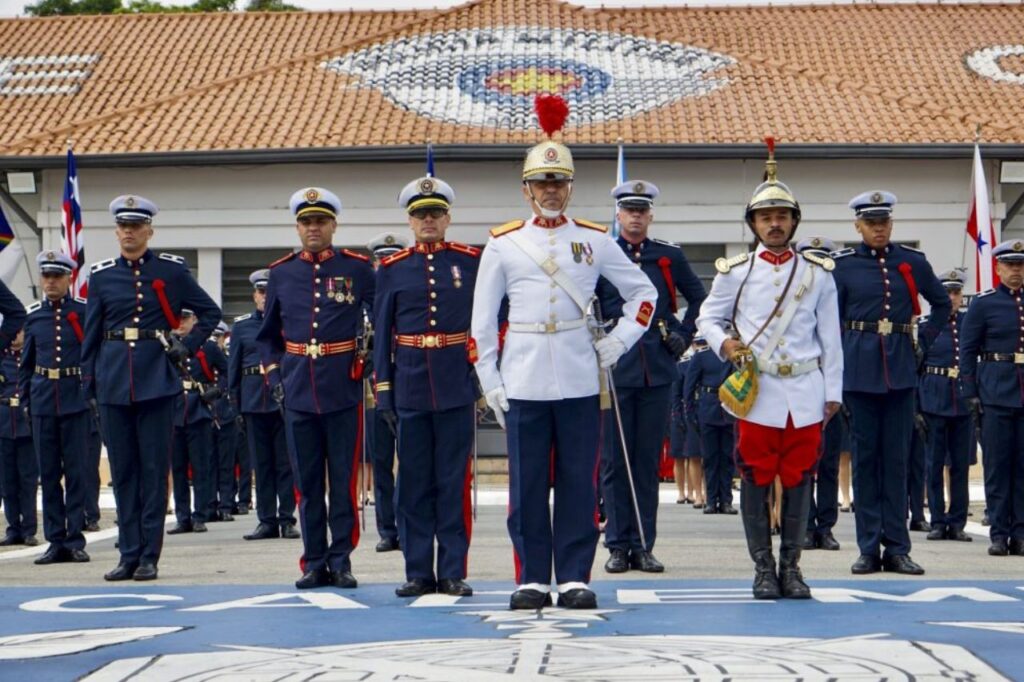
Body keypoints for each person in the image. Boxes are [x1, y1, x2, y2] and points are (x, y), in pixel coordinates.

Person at [471, 99, 657, 609]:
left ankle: (575, 575)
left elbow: (645, 295)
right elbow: (482, 322)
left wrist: (617, 343)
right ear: (526, 189)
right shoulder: (503, 244)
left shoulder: (595, 240)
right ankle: (531, 576)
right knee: (528, 484)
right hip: (524, 375)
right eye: (541, 183)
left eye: (559, 182)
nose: (550, 191)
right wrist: (491, 380)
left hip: (578, 375)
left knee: (579, 480)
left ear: (570, 187)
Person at [697, 140, 843, 599]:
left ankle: (793, 568)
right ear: (754, 224)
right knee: (757, 475)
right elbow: (706, 318)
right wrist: (726, 343)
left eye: (782, 216)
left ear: (794, 221)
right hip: (756, 391)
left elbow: (830, 338)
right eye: (766, 217)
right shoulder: (735, 271)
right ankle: (763, 570)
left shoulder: (817, 273)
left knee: (801, 476)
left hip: (805, 388)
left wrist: (833, 391)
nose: (774, 224)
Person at [82, 194, 220, 581]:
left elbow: (209, 312)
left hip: (157, 379)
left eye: (136, 226)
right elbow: (91, 334)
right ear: (116, 232)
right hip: (112, 380)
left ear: (149, 231)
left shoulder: (171, 271)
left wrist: (187, 345)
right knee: (123, 472)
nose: (129, 232)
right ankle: (127, 553)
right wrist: (88, 382)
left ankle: (148, 556)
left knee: (154, 470)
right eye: (124, 227)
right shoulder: (102, 275)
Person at [256, 187, 375, 589]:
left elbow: (379, 319)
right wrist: (274, 376)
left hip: (342, 387)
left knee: (341, 481)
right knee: (306, 484)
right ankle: (314, 561)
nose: (313, 228)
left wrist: (370, 362)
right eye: (307, 222)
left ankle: (341, 560)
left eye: (321, 221)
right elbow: (267, 335)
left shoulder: (357, 269)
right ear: (298, 226)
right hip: (298, 389)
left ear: (333, 225)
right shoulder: (282, 272)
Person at [831, 190, 949, 576]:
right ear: (858, 226)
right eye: (871, 223)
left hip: (899, 372)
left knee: (897, 463)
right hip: (859, 374)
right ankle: (868, 547)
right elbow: (829, 322)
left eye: (884, 223)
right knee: (866, 463)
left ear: (891, 225)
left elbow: (942, 304)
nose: (878, 229)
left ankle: (897, 547)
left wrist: (923, 343)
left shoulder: (911, 262)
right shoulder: (843, 266)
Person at [374, 176, 480, 598]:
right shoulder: (392, 268)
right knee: (413, 484)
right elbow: (382, 334)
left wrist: (482, 373)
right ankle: (418, 570)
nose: (429, 220)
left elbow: (489, 320)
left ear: (447, 218)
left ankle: (452, 569)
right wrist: (384, 391)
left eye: (435, 213)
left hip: (456, 383)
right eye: (421, 214)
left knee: (452, 481)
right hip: (411, 386)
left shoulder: (470, 261)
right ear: (410, 220)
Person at [597, 180, 706, 574]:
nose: (636, 217)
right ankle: (616, 545)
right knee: (614, 461)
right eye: (629, 211)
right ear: (618, 215)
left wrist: (683, 334)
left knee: (644, 461)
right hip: (615, 366)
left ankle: (643, 544)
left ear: (650, 215)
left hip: (657, 365)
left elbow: (699, 298)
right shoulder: (602, 254)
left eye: (642, 211)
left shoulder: (668, 256)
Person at [19, 250, 91, 565]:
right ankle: (55, 541)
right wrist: (26, 401)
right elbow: (26, 363)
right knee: (47, 475)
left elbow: (92, 357)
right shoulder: (33, 315)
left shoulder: (84, 312)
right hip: (43, 402)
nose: (50, 281)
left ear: (69, 278)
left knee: (75, 475)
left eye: (57, 276)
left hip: (75, 400)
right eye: (46, 276)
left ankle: (74, 539)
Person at [960, 239, 1024, 556]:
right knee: (998, 467)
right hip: (996, 392)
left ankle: (1021, 532)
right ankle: (999, 533)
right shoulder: (984, 304)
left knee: (1022, 467)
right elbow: (968, 350)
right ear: (998, 268)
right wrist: (970, 392)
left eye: (1020, 265)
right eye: (1010, 265)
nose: (1016, 271)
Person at [229, 269, 298, 541]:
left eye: (269, 292)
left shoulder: (290, 322)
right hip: (253, 400)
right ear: (254, 295)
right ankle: (266, 520)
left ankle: (287, 519)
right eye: (260, 292)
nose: (264, 296)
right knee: (262, 464)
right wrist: (235, 407)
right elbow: (233, 370)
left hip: (284, 400)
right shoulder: (242, 326)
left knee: (285, 464)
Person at [919, 268, 972, 543]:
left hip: (963, 401)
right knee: (934, 464)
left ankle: (958, 522)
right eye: (947, 292)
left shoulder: (970, 323)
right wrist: (917, 407)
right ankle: (938, 521)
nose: (952, 297)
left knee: (960, 466)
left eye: (956, 292)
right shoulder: (926, 325)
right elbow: (916, 367)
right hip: (934, 399)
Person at [795, 237, 842, 552]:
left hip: (831, 391)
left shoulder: (835, 296)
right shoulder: (793, 302)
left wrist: (837, 392)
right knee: (802, 463)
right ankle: (804, 525)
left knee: (829, 465)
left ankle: (825, 527)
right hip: (801, 389)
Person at [365, 233, 408, 553]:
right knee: (380, 463)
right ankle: (387, 528)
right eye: (380, 261)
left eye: (390, 260)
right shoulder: (363, 304)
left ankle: (407, 524)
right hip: (371, 392)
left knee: (409, 463)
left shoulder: (408, 294)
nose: (384, 267)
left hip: (407, 386)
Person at [166, 309, 223, 535]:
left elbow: (227, 370)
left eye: (185, 319)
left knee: (201, 468)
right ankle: (183, 517)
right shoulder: (166, 346)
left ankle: (200, 515)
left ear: (194, 320)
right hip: (173, 412)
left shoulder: (207, 347)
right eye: (177, 318)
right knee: (178, 468)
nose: (180, 323)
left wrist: (217, 390)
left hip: (198, 411)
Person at [682, 335, 736, 516]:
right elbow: (689, 387)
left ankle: (726, 500)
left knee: (727, 458)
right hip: (708, 409)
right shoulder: (701, 356)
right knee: (710, 458)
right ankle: (711, 500)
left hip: (729, 410)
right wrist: (690, 414)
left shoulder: (733, 356)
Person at [0, 331, 38, 547]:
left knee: (28, 480)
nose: (14, 337)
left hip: (26, 425)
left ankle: (29, 529)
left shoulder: (30, 356)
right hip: (4, 423)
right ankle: (13, 528)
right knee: (7, 481)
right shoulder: (2, 357)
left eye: (18, 332)